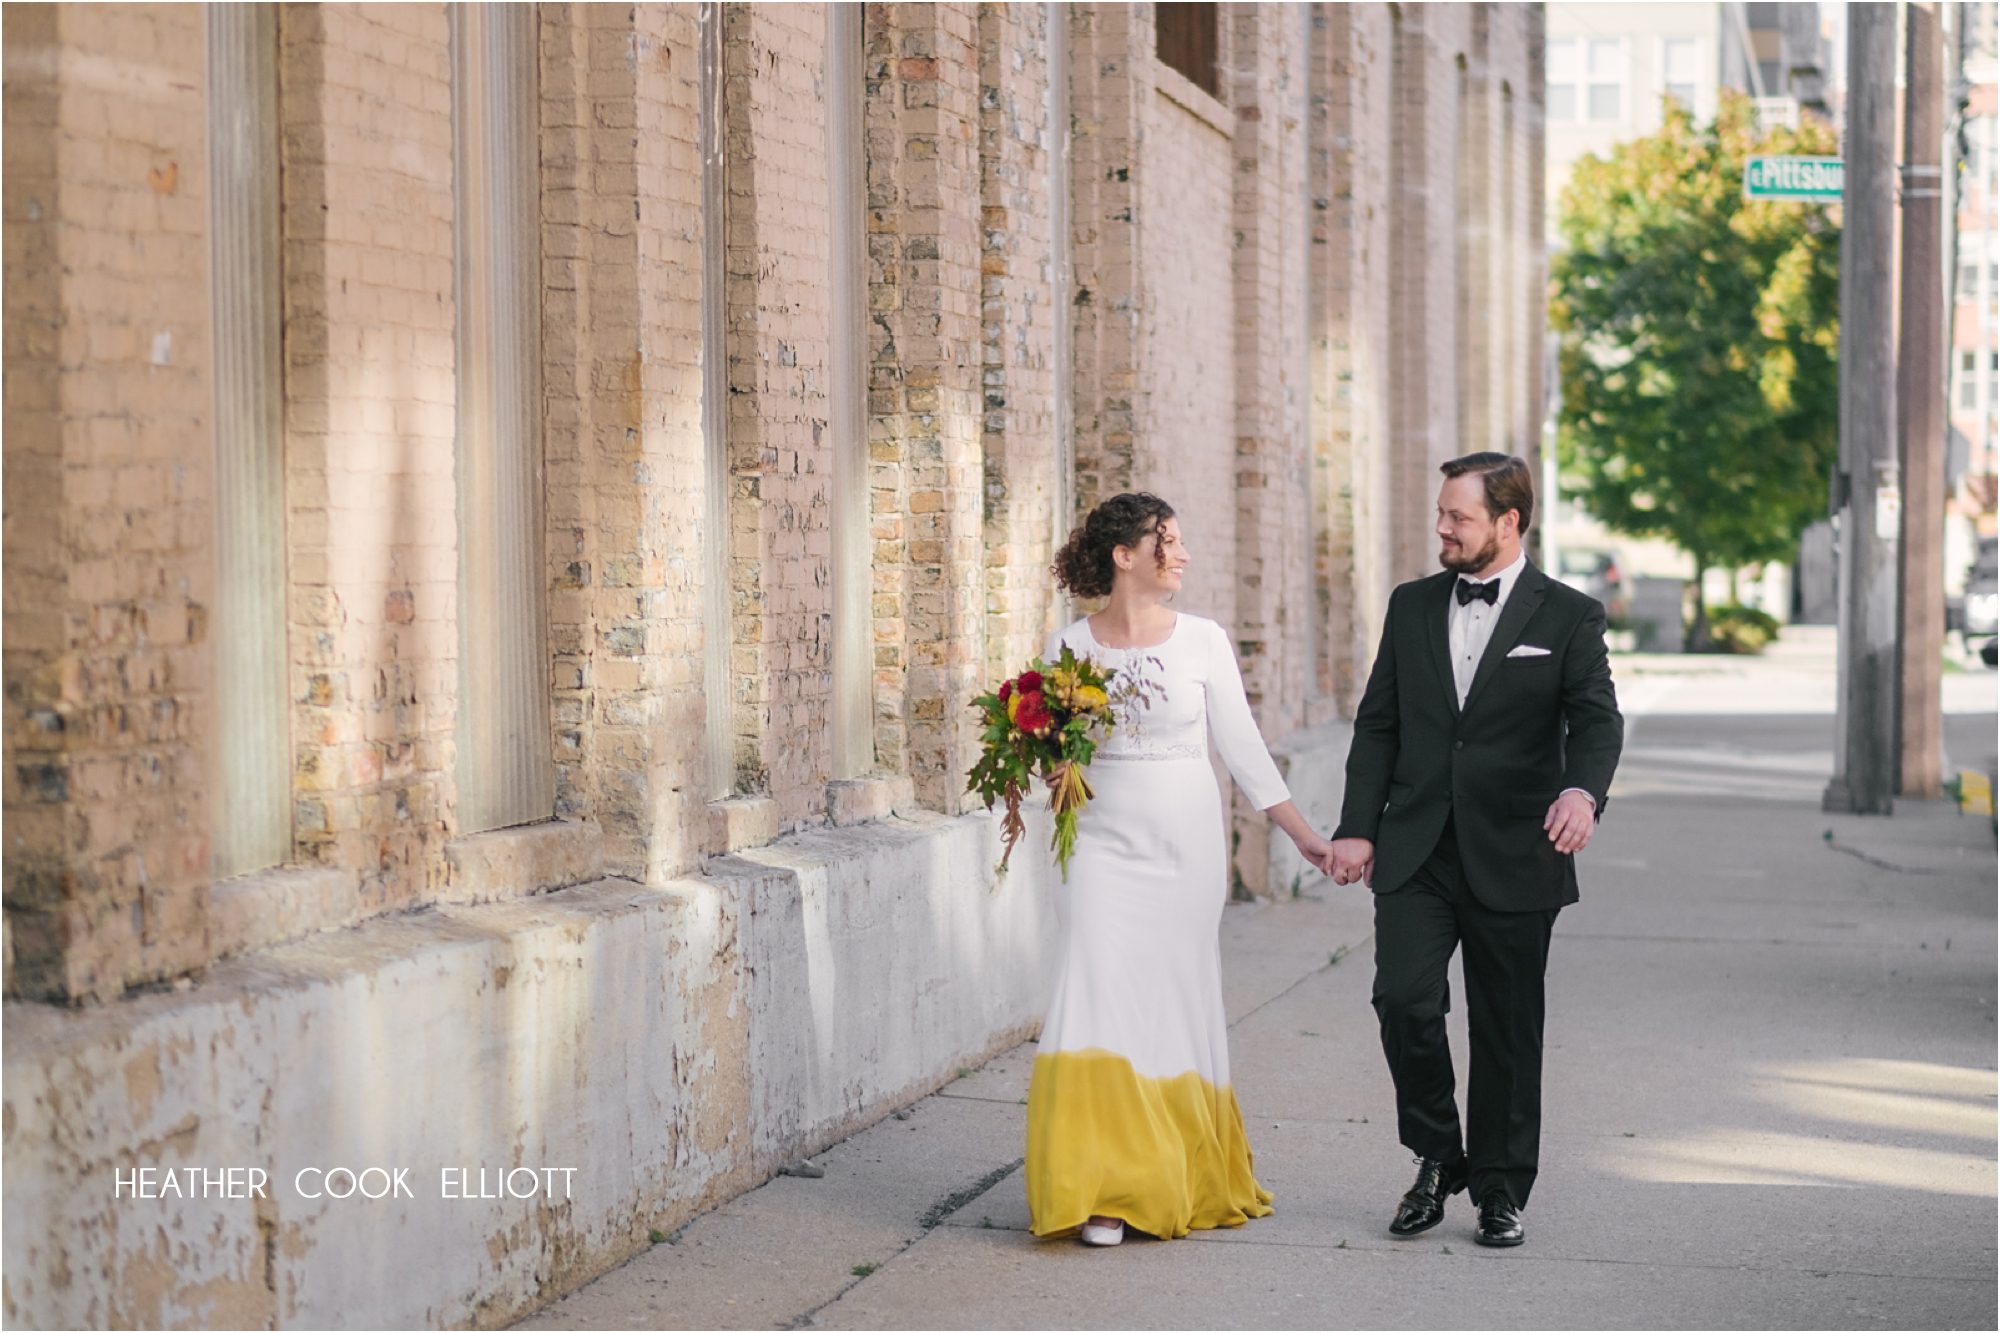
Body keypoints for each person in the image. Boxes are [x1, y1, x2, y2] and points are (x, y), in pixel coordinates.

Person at [1025, 492, 1337, 1247]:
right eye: (1165, 540)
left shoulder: (1203, 641)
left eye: (1180, 538)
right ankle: (1101, 1186)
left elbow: (1244, 749)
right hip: (1096, 847)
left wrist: (1305, 837)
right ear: (1123, 556)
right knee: (1094, 994)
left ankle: (1165, 1174)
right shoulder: (1068, 648)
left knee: (1167, 1001)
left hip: (1183, 850)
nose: (1181, 553)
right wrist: (1031, 764)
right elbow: (1054, 765)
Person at [1330, 452, 1622, 1249]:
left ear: (1508, 522)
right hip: (1418, 845)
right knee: (1405, 1000)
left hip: (1518, 848)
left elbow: (1597, 721)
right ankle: (1436, 1153)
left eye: (1457, 516)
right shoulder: (1414, 604)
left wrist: (1581, 791)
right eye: (1441, 513)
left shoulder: (1568, 615)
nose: (1442, 529)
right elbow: (1379, 722)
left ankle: (1498, 1188)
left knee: (1506, 1028)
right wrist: (1357, 825)